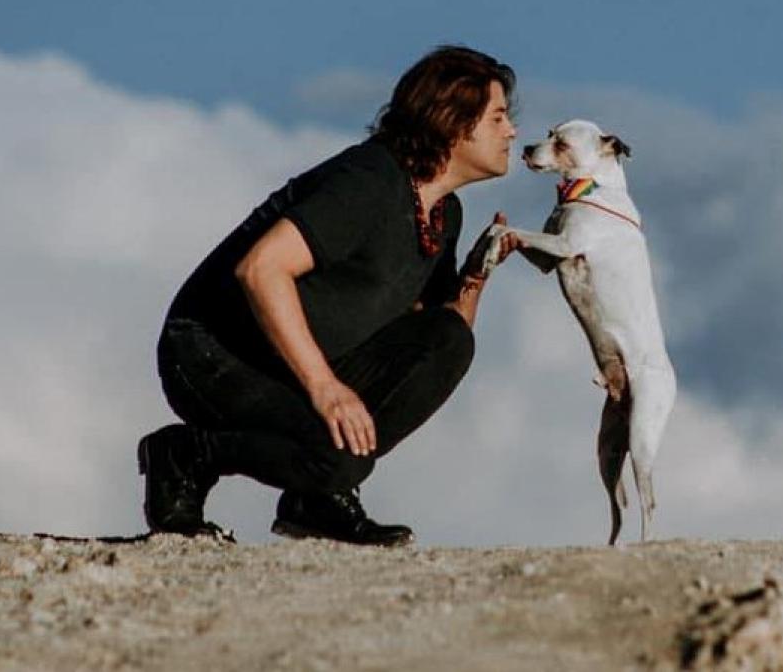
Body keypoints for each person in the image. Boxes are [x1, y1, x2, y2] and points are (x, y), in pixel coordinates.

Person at [137, 45, 520, 547]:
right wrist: (325, 388)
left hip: (298, 364)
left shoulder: (443, 215)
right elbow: (262, 268)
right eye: (498, 117)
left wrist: (476, 275)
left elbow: (429, 332)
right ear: (453, 122)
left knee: (447, 339)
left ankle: (316, 499)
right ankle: (185, 454)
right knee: (341, 456)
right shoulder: (370, 180)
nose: (512, 131)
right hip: (213, 353)